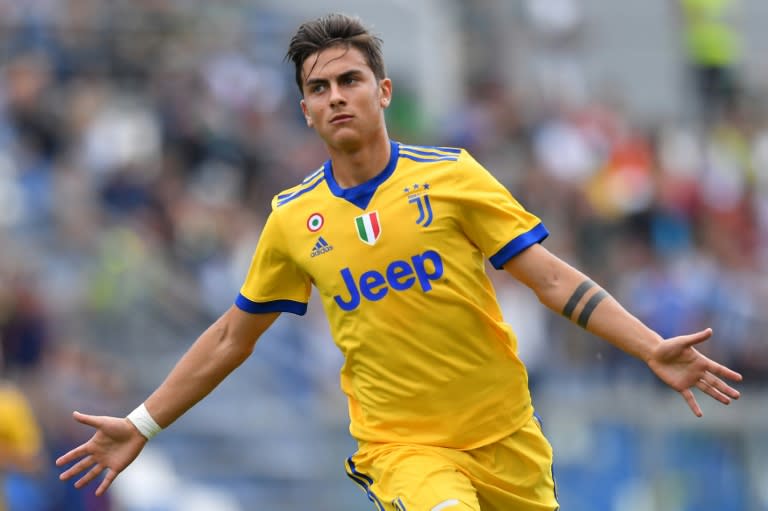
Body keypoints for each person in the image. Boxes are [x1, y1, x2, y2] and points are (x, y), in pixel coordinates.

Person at [56, 13, 743, 511]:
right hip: (402, 447)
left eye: (350, 79)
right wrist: (144, 421)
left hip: (506, 433)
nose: (336, 96)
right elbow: (234, 336)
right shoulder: (292, 219)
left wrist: (651, 345)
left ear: (382, 92)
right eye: (319, 88)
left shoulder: (453, 178)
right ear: (304, 111)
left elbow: (552, 278)